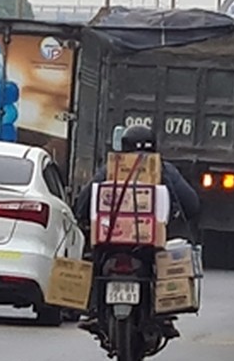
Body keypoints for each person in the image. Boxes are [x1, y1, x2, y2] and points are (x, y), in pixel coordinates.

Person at [73, 124, 201, 339]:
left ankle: (94, 308)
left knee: (94, 260)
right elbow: (192, 204)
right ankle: (163, 315)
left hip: (109, 241)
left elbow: (84, 202)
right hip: (149, 244)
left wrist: (83, 217)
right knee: (162, 263)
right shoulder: (165, 169)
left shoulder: (112, 169)